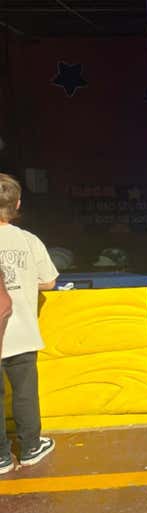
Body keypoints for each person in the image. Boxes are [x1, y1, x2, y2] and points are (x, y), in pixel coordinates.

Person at [0, 173, 58, 474]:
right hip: (20, 331)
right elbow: (48, 281)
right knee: (23, 392)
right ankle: (31, 447)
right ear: (18, 204)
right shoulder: (27, 240)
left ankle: (0, 457)